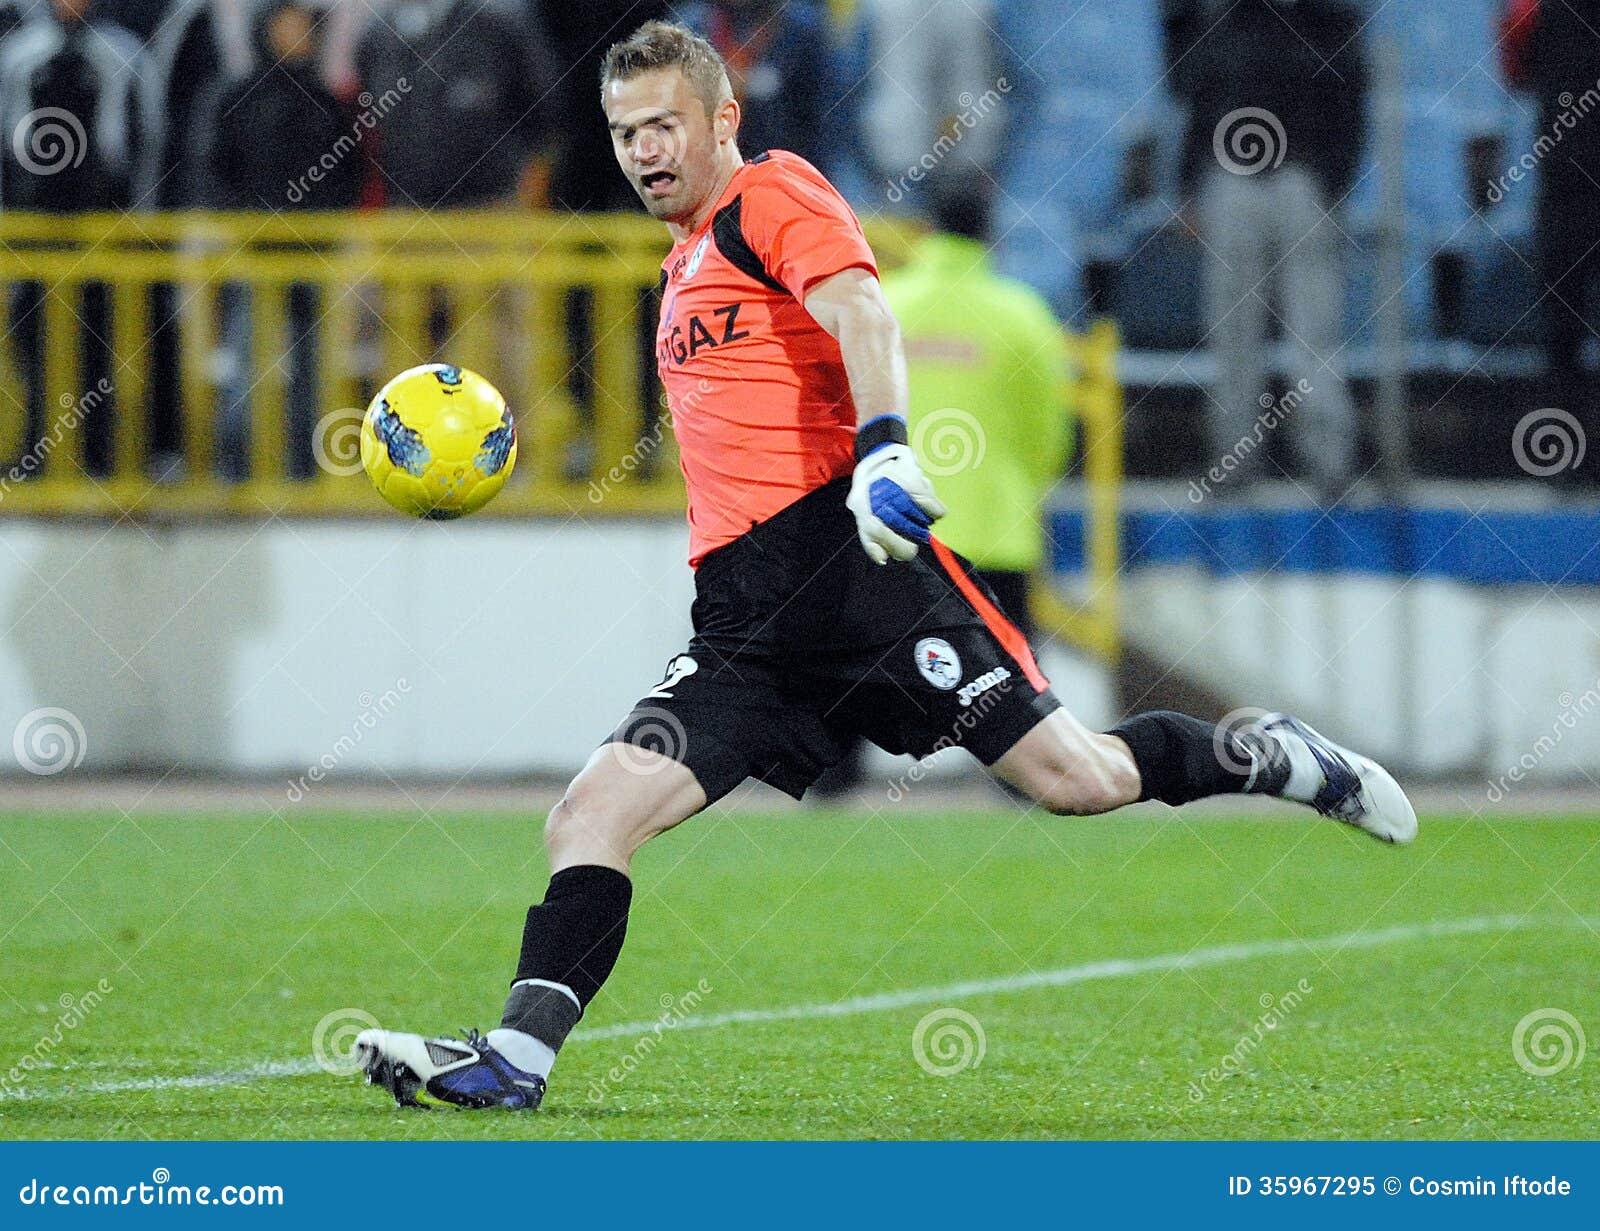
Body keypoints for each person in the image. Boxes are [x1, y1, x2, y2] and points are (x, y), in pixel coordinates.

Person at [354, 20, 1417, 1113]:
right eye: (624, 132)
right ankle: (514, 1059)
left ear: (722, 119)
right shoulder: (677, 265)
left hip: (854, 571)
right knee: (589, 815)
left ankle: (1277, 758)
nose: (642, 150)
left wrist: (883, 446)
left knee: (1078, 781)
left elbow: (859, 306)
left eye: (664, 124)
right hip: (744, 620)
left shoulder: (771, 195)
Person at [1165, 0, 1366, 503]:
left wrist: (1332, 184)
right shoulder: (1222, 18)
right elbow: (1199, 99)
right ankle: (1233, 464)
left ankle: (1329, 467)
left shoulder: (1330, 18)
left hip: (1302, 180)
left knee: (1314, 335)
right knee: (1232, 335)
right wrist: (1190, 185)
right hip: (1230, 181)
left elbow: (1352, 101)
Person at [884, 172, 1071, 639]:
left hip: (896, 542)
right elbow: (1049, 436)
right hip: (998, 543)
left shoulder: (884, 306)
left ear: (925, 224)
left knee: (898, 706)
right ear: (990, 229)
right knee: (1010, 707)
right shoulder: (1024, 316)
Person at [1503, 0, 1600, 477]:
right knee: (1561, 330)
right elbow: (1514, 68)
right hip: (1565, 181)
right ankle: (1565, 461)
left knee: (1562, 332)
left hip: (1566, 177)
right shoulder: (1535, 8)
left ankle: (1566, 461)